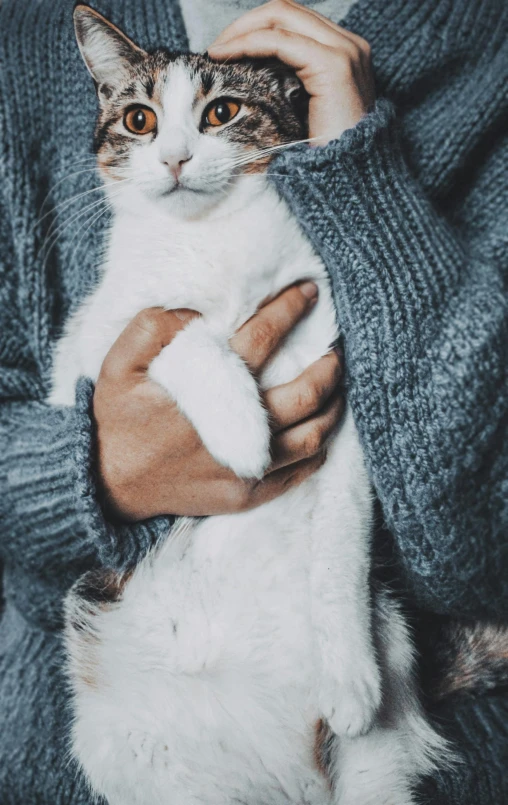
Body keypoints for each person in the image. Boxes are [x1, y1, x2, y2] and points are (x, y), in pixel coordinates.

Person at [0, 0, 506, 802]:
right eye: (138, 119)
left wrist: (360, 174)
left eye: (217, 115)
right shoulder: (19, 53)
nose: (170, 155)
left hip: (337, 680)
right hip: (148, 688)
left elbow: (472, 531)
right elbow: (76, 381)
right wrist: (95, 470)